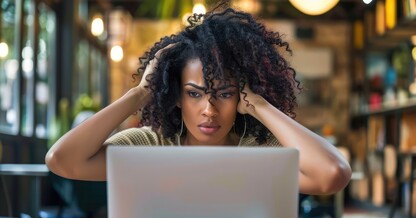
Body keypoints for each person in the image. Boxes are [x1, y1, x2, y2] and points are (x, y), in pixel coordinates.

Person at [45, 4, 351, 195]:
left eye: (225, 94)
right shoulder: (150, 146)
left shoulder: (260, 152)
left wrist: (260, 105)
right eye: (194, 93)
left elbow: (333, 174)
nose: (209, 109)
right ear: (176, 96)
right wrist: (139, 94)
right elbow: (62, 161)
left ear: (241, 96)